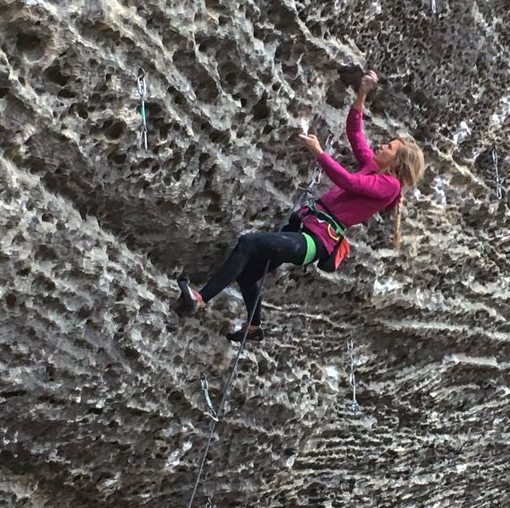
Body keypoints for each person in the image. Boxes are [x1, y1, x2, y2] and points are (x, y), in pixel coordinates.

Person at [176, 71, 425, 342]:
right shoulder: (372, 167)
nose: (381, 145)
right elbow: (355, 132)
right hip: (303, 226)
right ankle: (255, 328)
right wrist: (362, 93)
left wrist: (319, 152)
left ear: (397, 162)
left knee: (249, 243)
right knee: (248, 275)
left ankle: (200, 298)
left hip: (314, 240)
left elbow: (349, 182)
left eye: (389, 146)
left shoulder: (390, 187)